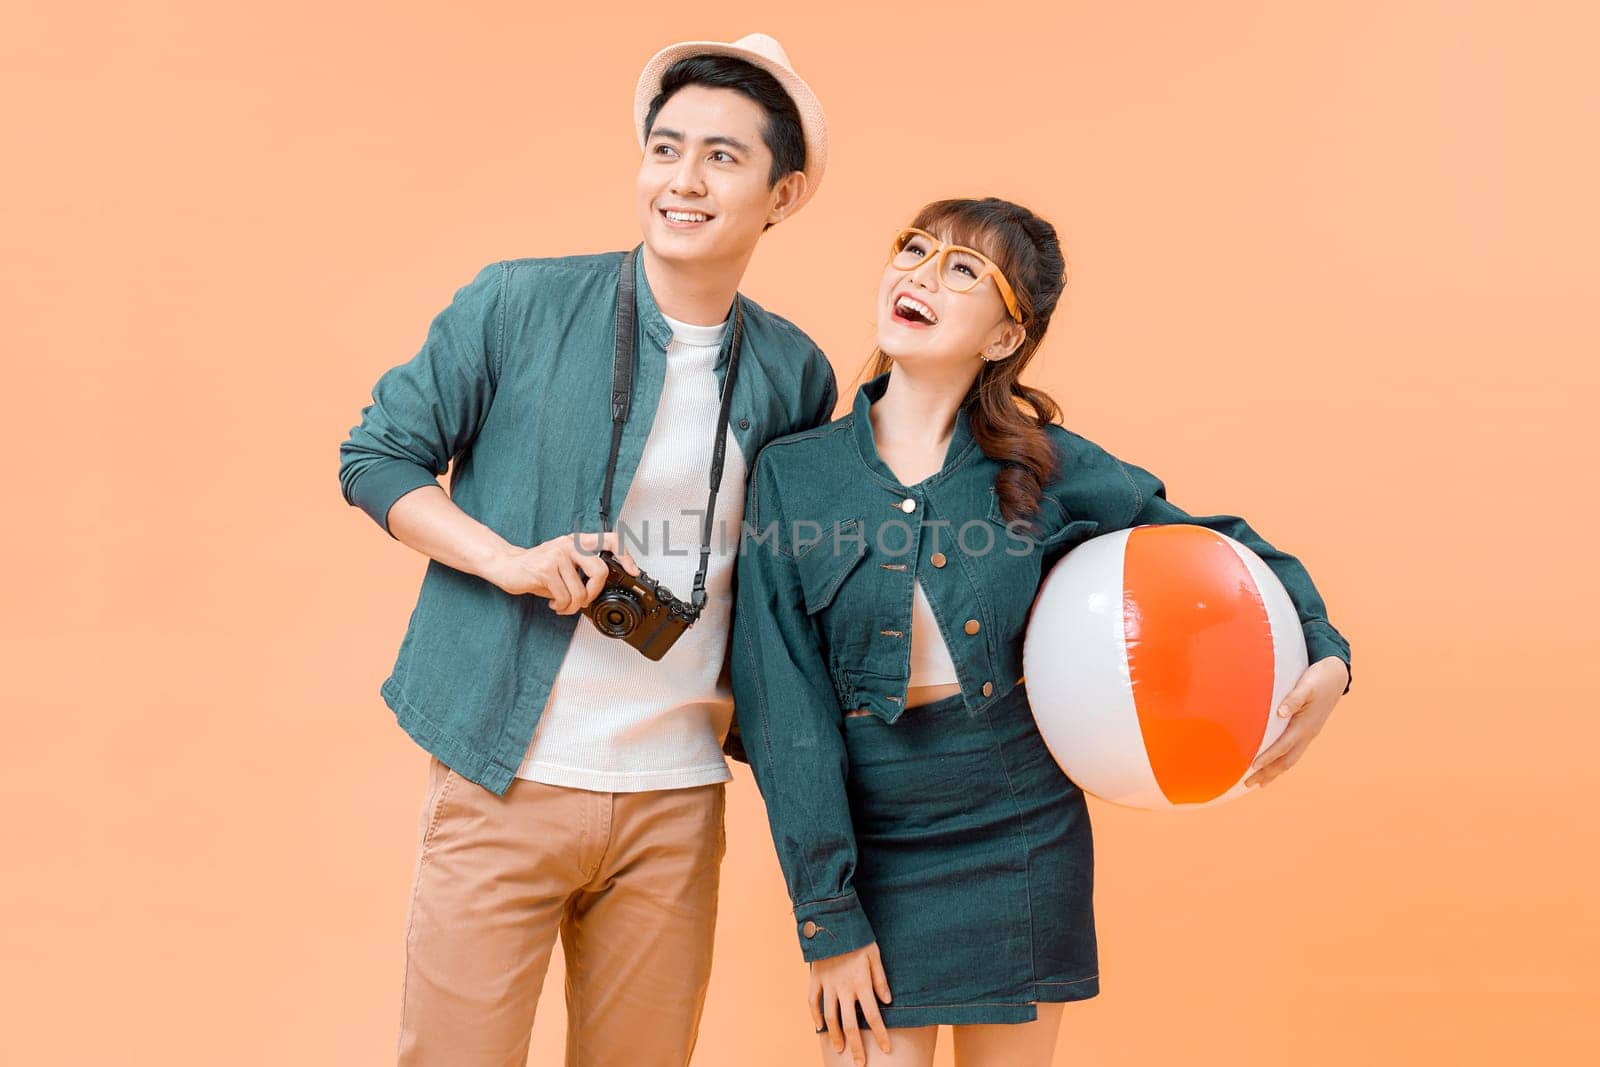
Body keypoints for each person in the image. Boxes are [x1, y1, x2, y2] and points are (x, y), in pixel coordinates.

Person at [730, 196, 1353, 1067]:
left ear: (1002, 339)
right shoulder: (793, 477)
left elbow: (1218, 544)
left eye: (961, 270)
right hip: (869, 844)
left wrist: (1327, 653)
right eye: (913, 248)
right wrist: (826, 913)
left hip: (1020, 829)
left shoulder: (1045, 463)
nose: (919, 273)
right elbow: (780, 701)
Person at [337, 34, 836, 1067]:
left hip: (676, 798)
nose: (682, 180)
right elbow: (377, 456)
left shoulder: (793, 372)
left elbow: (789, 589)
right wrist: (507, 559)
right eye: (665, 148)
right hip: (504, 775)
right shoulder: (517, 304)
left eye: (721, 158)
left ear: (782, 194)